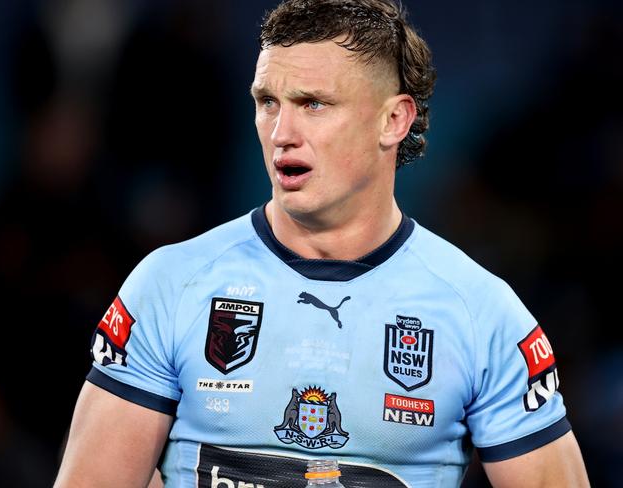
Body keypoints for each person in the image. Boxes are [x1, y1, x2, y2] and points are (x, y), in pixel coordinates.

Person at [54, 1, 590, 486]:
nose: (281, 131)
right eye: (268, 101)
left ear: (393, 119)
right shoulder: (169, 287)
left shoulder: (482, 315)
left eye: (313, 104)